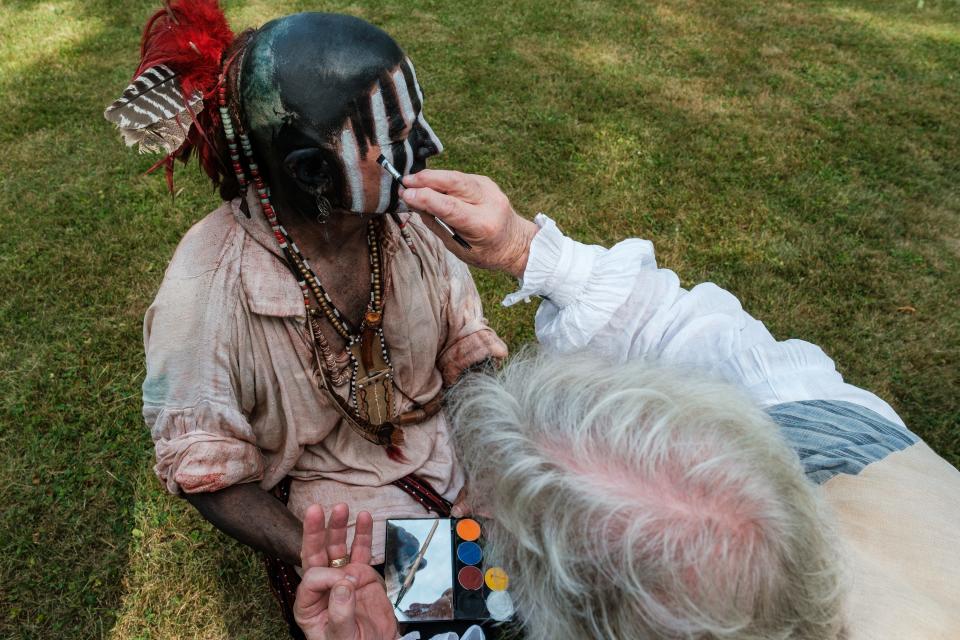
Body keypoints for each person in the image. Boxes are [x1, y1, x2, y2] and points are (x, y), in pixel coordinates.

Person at [289, 168, 960, 640]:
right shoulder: (834, 424)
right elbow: (674, 322)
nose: (476, 514)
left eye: (509, 543)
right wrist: (525, 248)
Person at [106, 2, 505, 635]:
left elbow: (467, 349)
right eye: (399, 138)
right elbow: (207, 467)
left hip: (464, 480)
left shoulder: (410, 224)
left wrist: (491, 465)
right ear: (314, 172)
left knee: (582, 582)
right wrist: (323, 558)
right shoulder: (206, 289)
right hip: (343, 524)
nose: (430, 148)